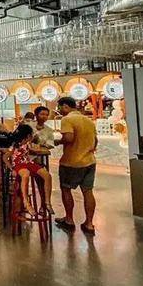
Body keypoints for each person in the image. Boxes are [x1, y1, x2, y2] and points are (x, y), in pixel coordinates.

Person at [55, 96, 98, 236]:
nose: (59, 110)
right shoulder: (88, 120)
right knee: (88, 191)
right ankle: (89, 224)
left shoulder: (67, 119)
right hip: (90, 161)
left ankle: (69, 220)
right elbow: (95, 141)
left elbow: (69, 138)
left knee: (66, 189)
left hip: (71, 162)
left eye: (60, 107)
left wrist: (58, 141)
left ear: (66, 106)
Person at [11, 123, 55, 218]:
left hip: (28, 162)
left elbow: (30, 148)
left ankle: (47, 202)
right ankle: (26, 202)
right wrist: (11, 167)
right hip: (19, 164)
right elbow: (7, 155)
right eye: (31, 135)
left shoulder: (27, 143)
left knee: (47, 175)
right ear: (27, 136)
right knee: (25, 175)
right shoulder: (15, 144)